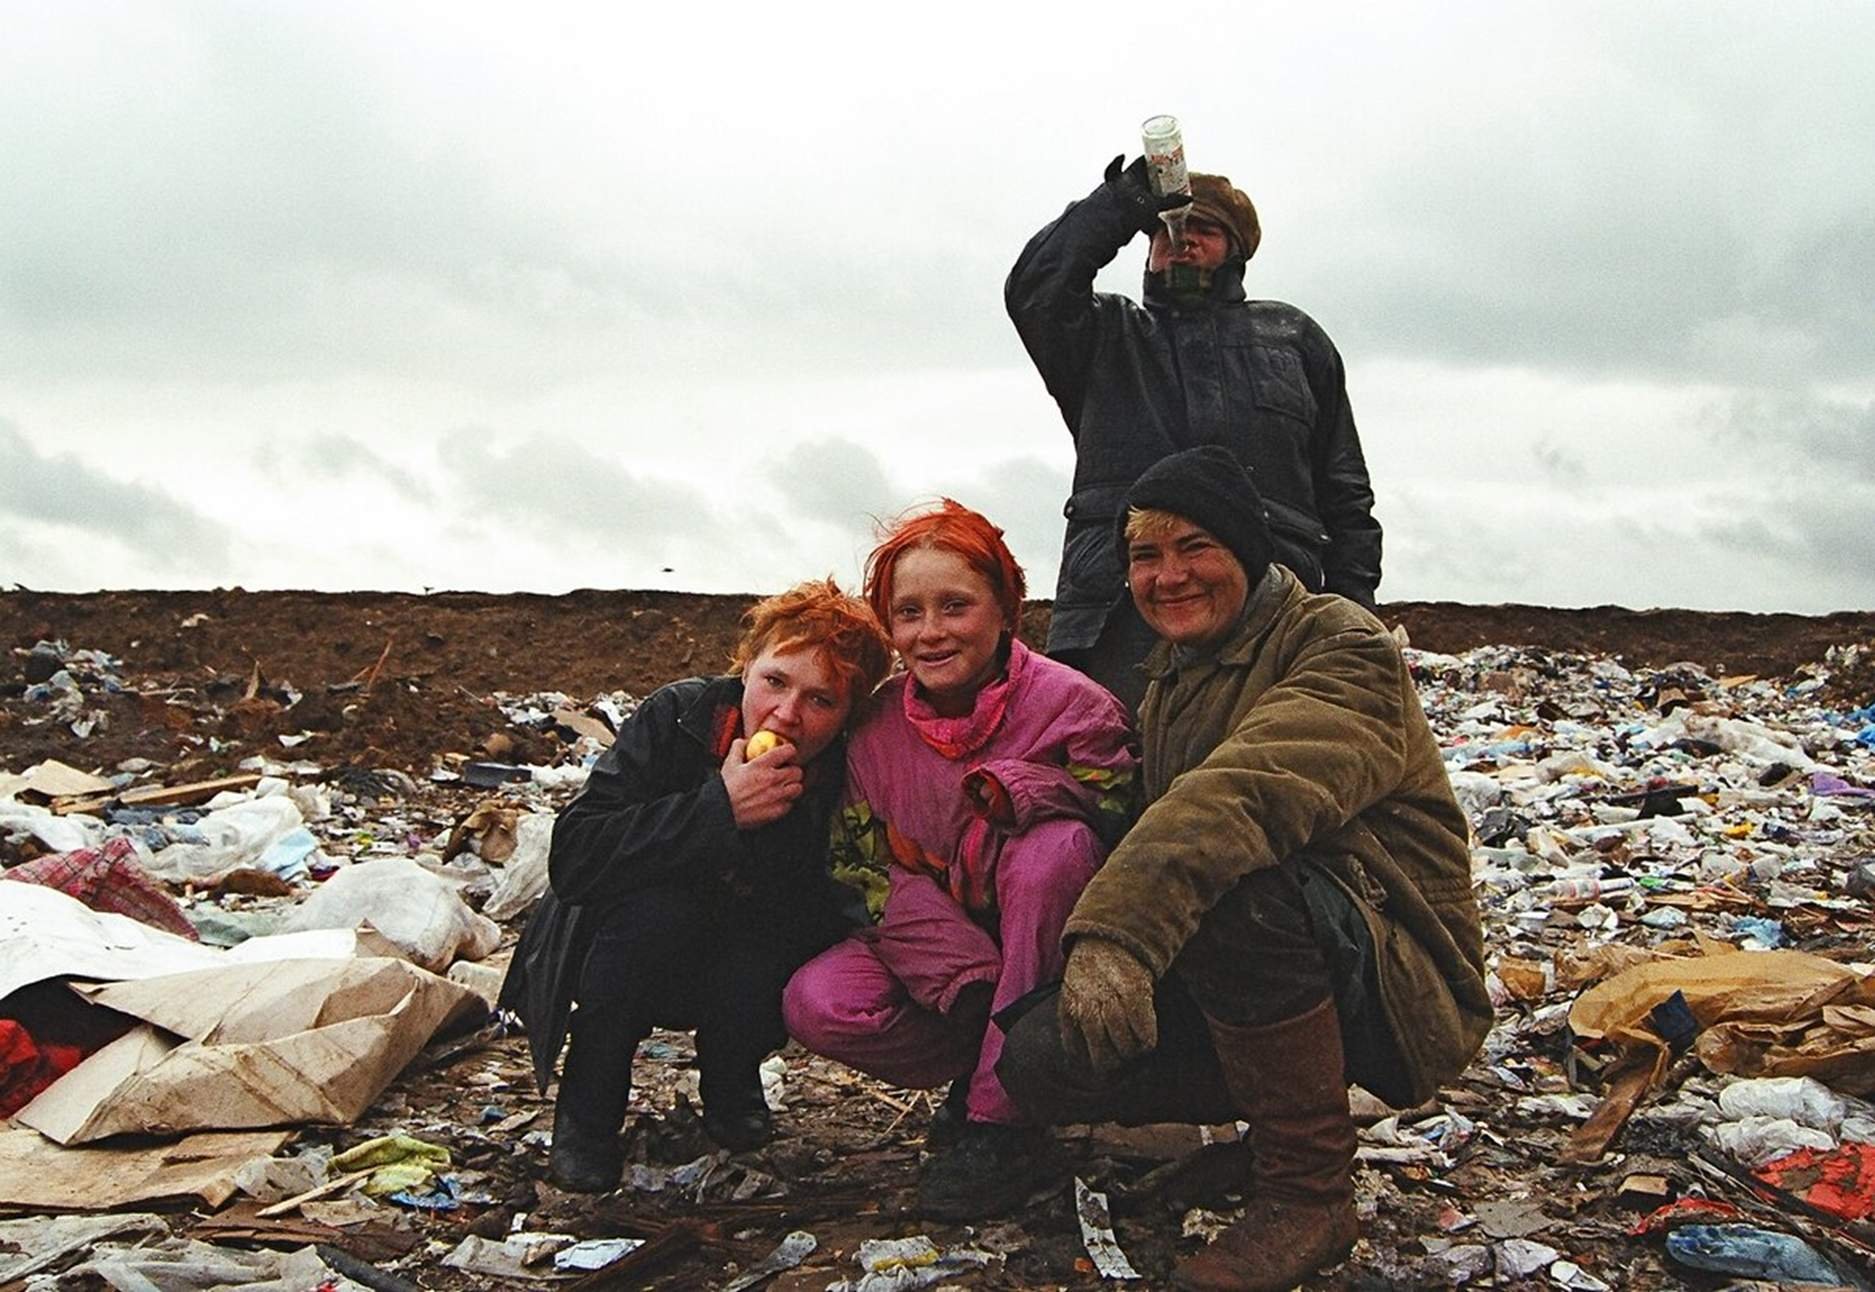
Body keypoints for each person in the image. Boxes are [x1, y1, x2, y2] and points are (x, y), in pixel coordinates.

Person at [996, 446, 1488, 1292]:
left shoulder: (1338, 645)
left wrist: (1118, 933)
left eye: (1195, 547)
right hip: (1286, 958)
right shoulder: (1173, 679)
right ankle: (1268, 1141)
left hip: (1394, 967)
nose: (1167, 575)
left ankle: (1308, 1196)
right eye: (1144, 556)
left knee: (1236, 896)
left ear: (1247, 551)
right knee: (1044, 1054)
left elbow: (1248, 792)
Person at [783, 501, 1137, 1219]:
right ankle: (985, 1063)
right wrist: (963, 975)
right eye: (907, 612)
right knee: (817, 1004)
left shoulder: (1078, 707)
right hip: (941, 957)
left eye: (955, 606)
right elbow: (863, 867)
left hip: (1055, 957)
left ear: (1006, 607)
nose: (931, 632)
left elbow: (1122, 817)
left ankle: (1000, 1122)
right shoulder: (874, 727)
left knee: (1055, 850)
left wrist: (1029, 791)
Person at [496, 579, 893, 1192]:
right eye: (775, 682)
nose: (787, 714)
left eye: (821, 700)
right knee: (655, 917)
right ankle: (587, 1115)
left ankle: (731, 1081)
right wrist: (719, 810)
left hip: (744, 945)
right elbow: (576, 855)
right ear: (746, 668)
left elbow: (833, 902)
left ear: (847, 715)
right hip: (630, 939)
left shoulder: (846, 770)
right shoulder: (676, 718)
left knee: (774, 948)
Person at [1006, 153, 1383, 710]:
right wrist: (1125, 202)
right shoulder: (1104, 335)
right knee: (1109, 780)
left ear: (1237, 248)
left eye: (1201, 228)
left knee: (1267, 781)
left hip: (1276, 612)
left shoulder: (1296, 339)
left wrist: (1350, 616)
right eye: (1165, 230)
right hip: (1117, 617)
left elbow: (1345, 492)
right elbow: (1036, 287)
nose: (1180, 241)